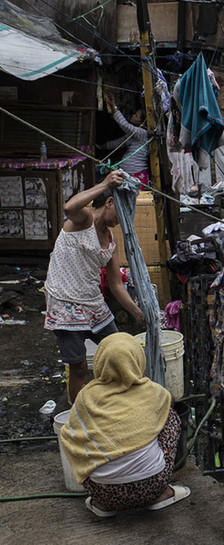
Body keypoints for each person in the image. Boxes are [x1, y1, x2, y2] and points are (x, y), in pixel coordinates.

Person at [59, 333, 190, 517]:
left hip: (103, 493)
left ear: (100, 361)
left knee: (75, 431)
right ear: (137, 359)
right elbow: (171, 402)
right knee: (170, 417)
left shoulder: (86, 397)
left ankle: (102, 506)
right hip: (152, 486)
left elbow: (69, 435)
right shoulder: (155, 392)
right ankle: (163, 494)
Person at [43, 170, 144, 404]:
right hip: (66, 303)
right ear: (109, 202)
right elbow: (69, 208)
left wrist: (140, 314)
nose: (123, 219)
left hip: (93, 304)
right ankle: (79, 414)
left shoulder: (110, 241)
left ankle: (116, 402)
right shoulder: (83, 220)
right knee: (78, 367)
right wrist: (104, 183)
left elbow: (116, 286)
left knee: (121, 351)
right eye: (122, 211)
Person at [101, 92, 150, 187]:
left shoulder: (142, 133)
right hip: (128, 174)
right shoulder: (134, 135)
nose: (133, 115)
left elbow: (125, 125)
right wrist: (99, 147)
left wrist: (114, 106)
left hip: (136, 175)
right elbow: (118, 143)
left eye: (136, 116)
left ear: (142, 122)